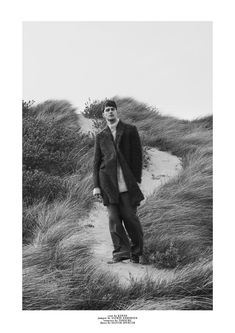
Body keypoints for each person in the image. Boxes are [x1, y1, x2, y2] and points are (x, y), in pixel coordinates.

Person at [92, 99, 145, 264]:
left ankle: (137, 252)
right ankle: (121, 253)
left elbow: (137, 156)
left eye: (112, 109)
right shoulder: (101, 135)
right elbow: (96, 162)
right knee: (114, 219)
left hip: (127, 184)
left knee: (131, 218)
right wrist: (96, 187)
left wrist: (135, 180)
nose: (110, 112)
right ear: (103, 114)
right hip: (108, 184)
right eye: (107, 110)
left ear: (116, 111)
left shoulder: (130, 130)